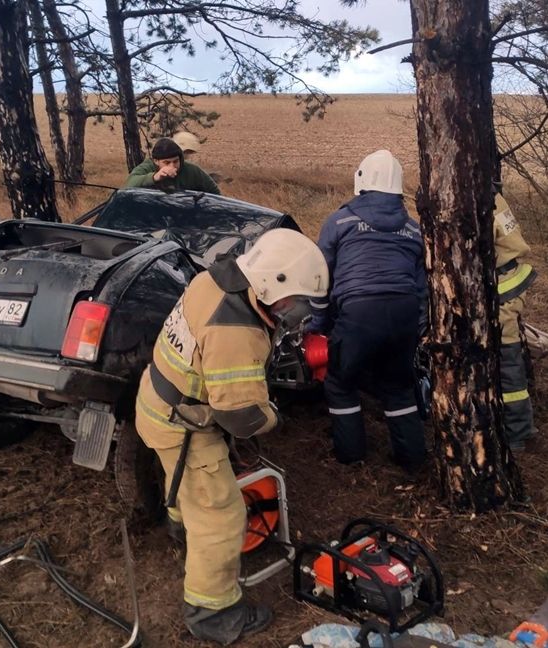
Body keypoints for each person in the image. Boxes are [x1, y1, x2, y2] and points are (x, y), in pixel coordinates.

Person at [135, 228, 328, 645]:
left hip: (156, 401)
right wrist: (274, 418)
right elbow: (240, 417)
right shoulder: (236, 332)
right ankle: (213, 612)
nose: (297, 313)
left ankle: (181, 532)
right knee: (222, 516)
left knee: (184, 485)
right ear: (269, 284)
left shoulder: (212, 280)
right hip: (183, 425)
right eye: (295, 302)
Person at [309, 149, 427, 472]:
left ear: (361, 181)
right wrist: (418, 328)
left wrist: (317, 325)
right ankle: (412, 459)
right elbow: (421, 288)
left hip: (359, 314)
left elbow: (321, 278)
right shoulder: (415, 230)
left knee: (339, 381)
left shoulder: (340, 221)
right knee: (399, 386)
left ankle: (351, 456)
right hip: (403, 316)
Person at [493, 183, 537, 451]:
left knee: (508, 361)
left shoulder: (481, 201)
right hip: (509, 279)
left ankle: (517, 433)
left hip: (503, 288)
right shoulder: (494, 197)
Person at [124, 137, 220, 194]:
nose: (172, 166)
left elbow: (214, 192)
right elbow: (129, 184)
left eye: (175, 161)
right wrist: (155, 177)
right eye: (167, 163)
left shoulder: (192, 170)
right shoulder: (148, 167)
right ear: (156, 161)